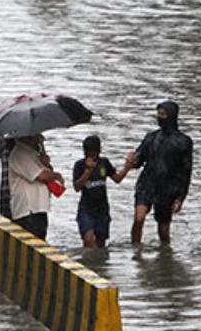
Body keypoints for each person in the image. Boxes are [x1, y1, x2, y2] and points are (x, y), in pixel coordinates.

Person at [123, 100, 194, 247]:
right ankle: (136, 251)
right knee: (139, 219)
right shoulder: (151, 137)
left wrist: (181, 197)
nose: (159, 118)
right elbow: (139, 159)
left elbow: (186, 172)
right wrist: (132, 162)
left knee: (163, 230)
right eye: (158, 115)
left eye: (162, 115)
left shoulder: (183, 142)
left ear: (171, 116)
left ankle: (165, 255)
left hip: (167, 190)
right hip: (146, 184)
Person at [73, 135, 128, 249]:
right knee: (88, 239)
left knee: (101, 244)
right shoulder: (79, 165)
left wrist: (127, 166)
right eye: (88, 152)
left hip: (102, 209)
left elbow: (117, 178)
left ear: (99, 151)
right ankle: (87, 261)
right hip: (86, 209)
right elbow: (77, 187)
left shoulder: (104, 163)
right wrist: (88, 171)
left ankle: (98, 265)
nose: (91, 155)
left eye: (93, 152)